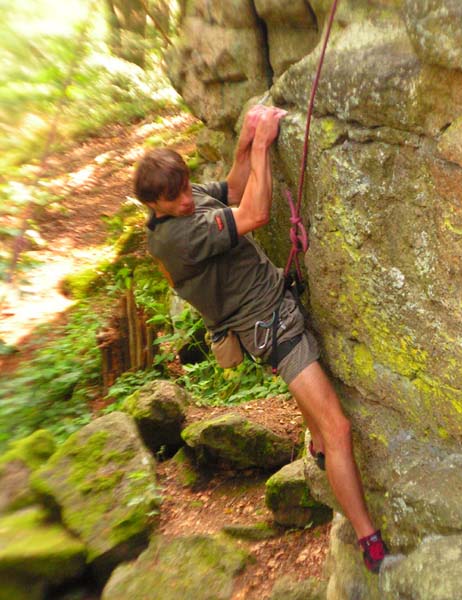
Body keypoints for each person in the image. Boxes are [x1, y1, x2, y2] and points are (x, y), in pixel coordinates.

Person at [132, 104, 387, 573]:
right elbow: (254, 211)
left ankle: (316, 449)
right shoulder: (176, 239)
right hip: (273, 329)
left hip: (273, 309)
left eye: (186, 188)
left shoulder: (189, 204)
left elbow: (230, 188)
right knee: (340, 428)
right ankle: (368, 537)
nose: (187, 200)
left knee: (324, 432)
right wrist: (267, 145)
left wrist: (247, 140)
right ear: (154, 206)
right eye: (174, 198)